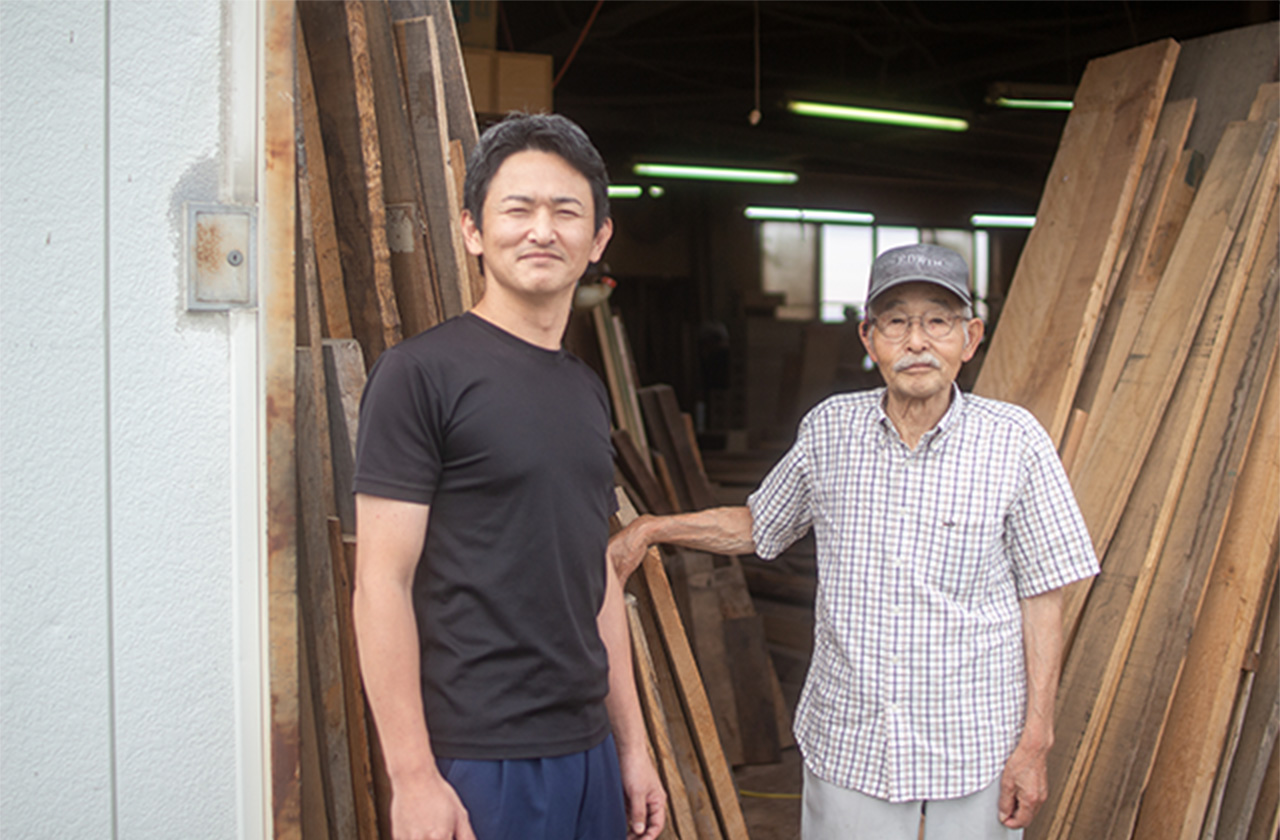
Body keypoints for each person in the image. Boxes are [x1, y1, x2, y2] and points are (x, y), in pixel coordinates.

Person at [609, 243, 1098, 839]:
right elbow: (759, 525)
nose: (916, 341)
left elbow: (1045, 595)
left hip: (975, 742)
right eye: (896, 321)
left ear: (970, 338)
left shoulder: (1015, 442)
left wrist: (1036, 740)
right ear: (869, 339)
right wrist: (654, 528)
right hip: (851, 740)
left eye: (937, 320)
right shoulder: (829, 430)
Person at [352, 113, 666, 840]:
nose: (542, 230)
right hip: (479, 761)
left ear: (599, 238)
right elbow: (381, 584)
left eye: (566, 211)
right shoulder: (419, 376)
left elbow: (595, 581)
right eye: (517, 209)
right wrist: (413, 776)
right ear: (472, 230)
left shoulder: (586, 390)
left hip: (587, 752)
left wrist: (632, 748)